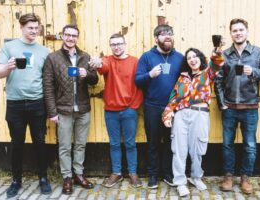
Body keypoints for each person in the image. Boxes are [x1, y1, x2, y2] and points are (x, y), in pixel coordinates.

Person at [0, 13, 52, 198]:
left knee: (40, 142)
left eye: (36, 28)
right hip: (15, 104)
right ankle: (16, 181)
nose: (34, 31)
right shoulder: (9, 47)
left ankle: (43, 178)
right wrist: (8, 67)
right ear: (21, 27)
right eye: (30, 28)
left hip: (37, 103)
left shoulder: (45, 51)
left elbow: (48, 78)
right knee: (16, 144)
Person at [214, 18, 260, 194]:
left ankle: (246, 178)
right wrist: (222, 103)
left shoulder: (258, 53)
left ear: (247, 31)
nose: (238, 33)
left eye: (241, 30)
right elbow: (218, 81)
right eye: (234, 30)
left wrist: (253, 71)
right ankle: (229, 176)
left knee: (250, 145)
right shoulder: (224, 55)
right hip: (229, 108)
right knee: (227, 144)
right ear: (230, 33)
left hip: (250, 108)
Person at [43, 24, 98, 195]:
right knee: (65, 146)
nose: (70, 38)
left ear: (77, 38)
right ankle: (67, 177)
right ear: (62, 36)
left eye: (74, 35)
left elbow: (94, 80)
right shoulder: (53, 58)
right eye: (67, 35)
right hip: (63, 110)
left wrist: (87, 74)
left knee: (80, 144)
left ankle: (78, 174)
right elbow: (48, 87)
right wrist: (52, 112)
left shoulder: (84, 56)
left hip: (83, 109)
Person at [162, 47, 223, 196]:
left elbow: (217, 64)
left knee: (198, 150)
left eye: (195, 56)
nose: (192, 60)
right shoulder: (183, 78)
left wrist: (217, 51)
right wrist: (167, 114)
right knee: (179, 150)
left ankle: (196, 177)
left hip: (200, 115)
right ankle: (180, 182)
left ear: (200, 58)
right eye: (189, 58)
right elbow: (174, 97)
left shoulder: (207, 74)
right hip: (181, 116)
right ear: (187, 62)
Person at [88, 33, 143, 188]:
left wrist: (133, 106)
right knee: (114, 144)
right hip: (111, 110)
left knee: (130, 143)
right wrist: (97, 62)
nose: (116, 47)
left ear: (125, 44)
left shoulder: (135, 62)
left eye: (119, 43)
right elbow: (102, 65)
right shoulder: (108, 60)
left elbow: (140, 86)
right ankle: (116, 173)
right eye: (113, 44)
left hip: (129, 110)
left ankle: (133, 172)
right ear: (110, 46)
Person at [135, 24, 183, 189]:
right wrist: (150, 75)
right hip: (153, 107)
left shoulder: (180, 57)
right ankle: (153, 175)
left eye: (170, 33)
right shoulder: (147, 57)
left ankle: (168, 174)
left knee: (171, 143)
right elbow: (137, 80)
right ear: (156, 39)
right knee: (153, 143)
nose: (167, 36)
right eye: (163, 34)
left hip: (174, 107)